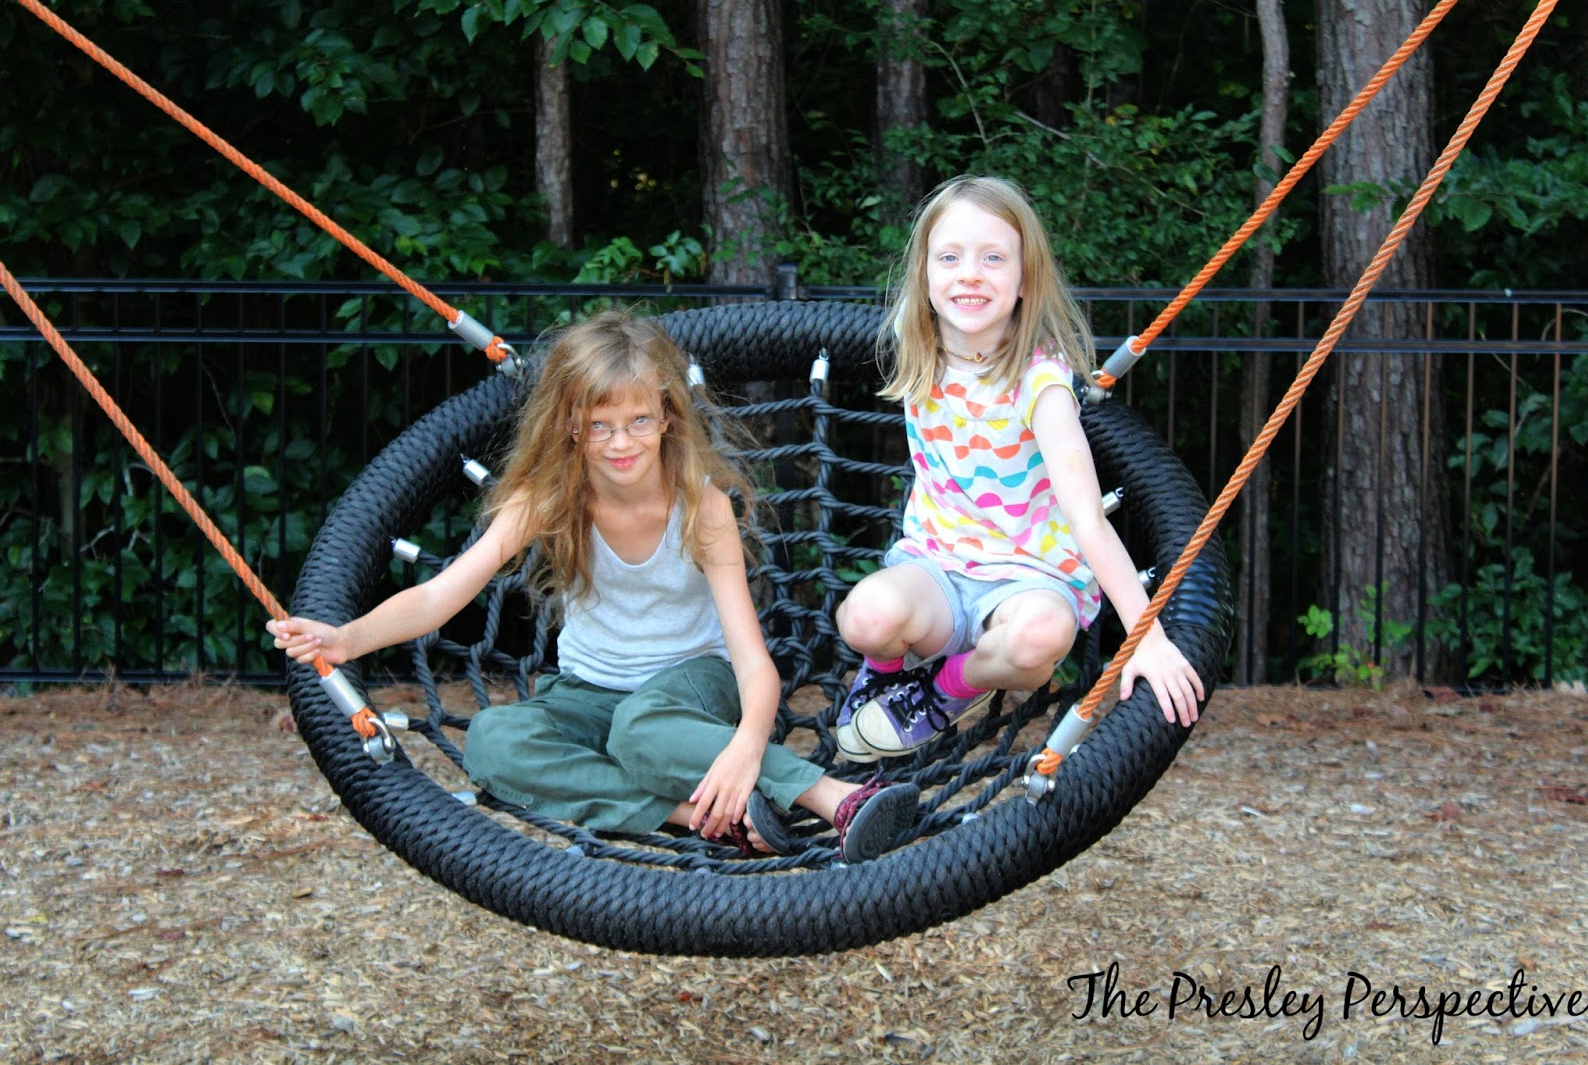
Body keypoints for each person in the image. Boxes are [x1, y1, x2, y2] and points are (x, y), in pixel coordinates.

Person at [269, 310, 917, 861]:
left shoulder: (702, 506)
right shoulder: (548, 499)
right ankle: (699, 815)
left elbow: (751, 660)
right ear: (571, 425)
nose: (619, 442)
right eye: (599, 424)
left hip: (692, 689)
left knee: (640, 732)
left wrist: (749, 744)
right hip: (587, 693)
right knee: (493, 743)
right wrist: (347, 638)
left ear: (667, 417)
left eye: (638, 420)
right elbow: (441, 595)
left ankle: (835, 798)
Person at [834, 175, 1205, 762]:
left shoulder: (1040, 385)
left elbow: (1088, 519)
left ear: (1025, 278)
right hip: (938, 569)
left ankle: (945, 688)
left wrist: (1146, 638)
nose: (970, 274)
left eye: (993, 258)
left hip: (1030, 580)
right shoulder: (917, 348)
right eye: (950, 258)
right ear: (924, 276)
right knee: (864, 616)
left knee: (1039, 639)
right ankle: (883, 680)